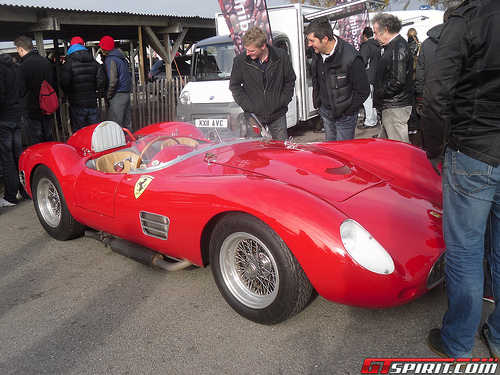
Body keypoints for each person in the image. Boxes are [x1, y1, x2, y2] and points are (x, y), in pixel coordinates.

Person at [420, 0, 500, 358]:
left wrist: (435, 149)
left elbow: (436, 93)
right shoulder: (470, 18)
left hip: (472, 149)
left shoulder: (470, 18)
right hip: (479, 146)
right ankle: (496, 335)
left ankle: (457, 344)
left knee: (465, 253)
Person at [304, 20, 369, 141]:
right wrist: (320, 105)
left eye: (312, 41)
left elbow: (363, 90)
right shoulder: (317, 54)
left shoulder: (351, 58)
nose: (309, 45)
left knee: (343, 153)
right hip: (326, 113)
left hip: (345, 117)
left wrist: (348, 111)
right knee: (330, 151)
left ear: (325, 39)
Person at [229, 26, 296, 141]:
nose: (248, 53)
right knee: (257, 152)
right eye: (246, 50)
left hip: (277, 114)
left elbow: (290, 80)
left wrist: (283, 100)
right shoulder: (240, 61)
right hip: (254, 116)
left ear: (263, 46)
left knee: (280, 151)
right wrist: (248, 106)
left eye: (251, 50)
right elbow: (234, 86)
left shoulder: (281, 56)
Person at [372, 13, 413, 143]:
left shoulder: (397, 47)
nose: (375, 37)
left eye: (377, 33)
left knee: (400, 148)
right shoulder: (394, 47)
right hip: (391, 105)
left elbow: (397, 80)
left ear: (386, 30)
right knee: (385, 147)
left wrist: (379, 92)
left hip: (395, 106)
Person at [0, 51, 29, 208]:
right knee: (18, 155)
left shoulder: (2, 69)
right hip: (16, 115)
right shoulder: (13, 68)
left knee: (7, 158)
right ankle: (24, 190)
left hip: (4, 118)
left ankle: (10, 196)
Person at [14, 35, 54, 146]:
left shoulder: (23, 67)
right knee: (48, 140)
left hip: (31, 110)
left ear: (21, 48)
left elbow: (20, 90)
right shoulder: (46, 62)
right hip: (47, 107)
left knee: (36, 144)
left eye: (18, 50)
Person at [59, 36, 105, 132]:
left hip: (77, 103)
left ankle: (82, 147)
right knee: (95, 131)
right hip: (92, 102)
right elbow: (101, 80)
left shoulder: (68, 63)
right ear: (83, 45)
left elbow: (64, 83)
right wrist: (93, 88)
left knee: (80, 132)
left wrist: (71, 92)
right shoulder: (94, 62)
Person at [98, 35, 132, 130]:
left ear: (104, 48)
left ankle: (119, 145)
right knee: (127, 123)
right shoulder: (122, 58)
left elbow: (113, 80)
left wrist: (109, 95)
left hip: (118, 94)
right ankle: (130, 143)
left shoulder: (110, 59)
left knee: (115, 125)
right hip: (126, 93)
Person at [357, 26, 380, 130]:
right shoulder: (378, 45)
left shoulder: (366, 46)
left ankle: (369, 121)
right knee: (372, 99)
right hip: (376, 75)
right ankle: (373, 119)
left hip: (367, 75)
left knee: (367, 100)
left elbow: (363, 61)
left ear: (364, 36)